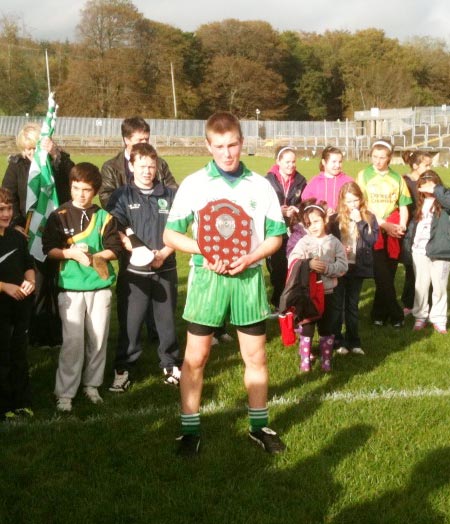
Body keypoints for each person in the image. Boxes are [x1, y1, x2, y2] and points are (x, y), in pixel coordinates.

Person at [163, 111, 287, 456]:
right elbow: (170, 233)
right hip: (207, 280)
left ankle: (259, 426)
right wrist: (204, 249)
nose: (227, 153)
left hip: (247, 280)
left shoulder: (260, 185)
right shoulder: (194, 184)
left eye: (233, 145)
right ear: (208, 145)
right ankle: (190, 430)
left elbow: (276, 236)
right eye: (219, 146)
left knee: (255, 356)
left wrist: (250, 258)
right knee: (196, 358)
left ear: (242, 143)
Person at [42, 163, 122, 412]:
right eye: (76, 188)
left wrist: (97, 256)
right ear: (70, 187)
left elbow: (115, 250)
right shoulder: (58, 215)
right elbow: (49, 250)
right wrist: (71, 253)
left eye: (86, 190)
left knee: (97, 339)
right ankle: (65, 393)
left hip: (100, 287)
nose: (80, 194)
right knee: (73, 342)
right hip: (71, 288)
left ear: (96, 191)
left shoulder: (105, 217)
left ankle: (92, 385)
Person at [106, 143, 182, 391]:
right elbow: (116, 229)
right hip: (135, 272)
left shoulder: (169, 195)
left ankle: (170, 364)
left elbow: (179, 228)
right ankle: (124, 368)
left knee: (166, 320)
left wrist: (164, 252)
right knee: (130, 321)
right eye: (142, 166)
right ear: (131, 166)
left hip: (165, 267)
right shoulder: (122, 195)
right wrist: (135, 250)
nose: (147, 171)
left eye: (151, 166)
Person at [2, 122, 74, 347]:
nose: (30, 153)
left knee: (60, 282)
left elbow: (73, 178)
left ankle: (62, 331)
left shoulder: (58, 162)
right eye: (26, 149)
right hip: (30, 234)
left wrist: (55, 154)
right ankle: (39, 333)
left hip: (60, 230)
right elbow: (8, 196)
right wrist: (16, 225)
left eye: (34, 148)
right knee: (39, 282)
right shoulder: (17, 166)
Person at [357, 140, 412, 328]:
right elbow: (362, 205)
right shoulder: (363, 175)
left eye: (382, 157)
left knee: (389, 272)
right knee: (382, 274)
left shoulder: (397, 178)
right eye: (375, 157)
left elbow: (403, 204)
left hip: (394, 230)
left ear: (389, 158)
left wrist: (402, 225)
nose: (378, 161)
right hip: (374, 230)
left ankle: (378, 315)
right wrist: (384, 224)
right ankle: (397, 315)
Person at [288, 199, 348, 372]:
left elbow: (343, 266)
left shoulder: (334, 242)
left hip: (329, 293)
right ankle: (305, 361)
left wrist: (328, 268)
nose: (313, 226)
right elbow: (292, 260)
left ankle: (326, 360)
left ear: (324, 220)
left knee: (326, 327)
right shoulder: (304, 242)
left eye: (316, 221)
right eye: (308, 224)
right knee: (307, 327)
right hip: (308, 294)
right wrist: (308, 264)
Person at [328, 182, 379, 355]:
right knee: (337, 305)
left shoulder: (369, 218)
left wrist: (360, 223)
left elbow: (372, 241)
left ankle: (354, 341)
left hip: (357, 267)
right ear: (342, 201)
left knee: (352, 305)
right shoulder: (335, 219)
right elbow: (328, 243)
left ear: (361, 199)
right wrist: (340, 248)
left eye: (356, 200)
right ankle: (337, 340)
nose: (353, 205)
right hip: (339, 266)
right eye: (349, 201)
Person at [0, 188, 35, 421]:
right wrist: (4, 287)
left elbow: (27, 263)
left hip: (19, 306)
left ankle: (21, 402)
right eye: (1, 209)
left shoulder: (17, 237)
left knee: (18, 354)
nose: (6, 214)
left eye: (9, 208)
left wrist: (30, 279)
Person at [402, 171, 450, 334]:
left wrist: (436, 190)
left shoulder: (444, 199)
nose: (428, 185)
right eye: (425, 182)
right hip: (419, 251)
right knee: (420, 286)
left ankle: (439, 318)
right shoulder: (419, 202)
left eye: (432, 182)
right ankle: (420, 316)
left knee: (439, 287)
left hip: (441, 251)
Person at [99, 117, 178, 208]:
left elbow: (172, 190)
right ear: (126, 140)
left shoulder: (160, 164)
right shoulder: (111, 167)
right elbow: (107, 198)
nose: (145, 143)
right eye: (140, 140)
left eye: (147, 139)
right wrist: (132, 212)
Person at [266, 146, 306, 314]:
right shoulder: (268, 180)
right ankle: (277, 303)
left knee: (293, 267)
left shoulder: (301, 180)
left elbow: (303, 204)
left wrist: (295, 210)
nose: (291, 165)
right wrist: (278, 211)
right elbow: (262, 205)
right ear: (278, 162)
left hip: (293, 230)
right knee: (277, 269)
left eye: (293, 162)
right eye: (287, 162)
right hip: (273, 229)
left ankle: (290, 303)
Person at [400, 150, 433, 316]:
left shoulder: (428, 181)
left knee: (428, 267)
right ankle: (408, 303)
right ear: (415, 165)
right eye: (426, 165)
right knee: (411, 269)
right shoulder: (405, 181)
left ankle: (427, 303)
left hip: (425, 228)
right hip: (410, 230)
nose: (429, 168)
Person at [301, 146, 353, 215]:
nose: (337, 165)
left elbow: (355, 200)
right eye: (334, 162)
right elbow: (306, 202)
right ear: (324, 162)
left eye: (340, 162)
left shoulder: (348, 181)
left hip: (343, 221)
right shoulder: (315, 182)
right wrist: (321, 210)